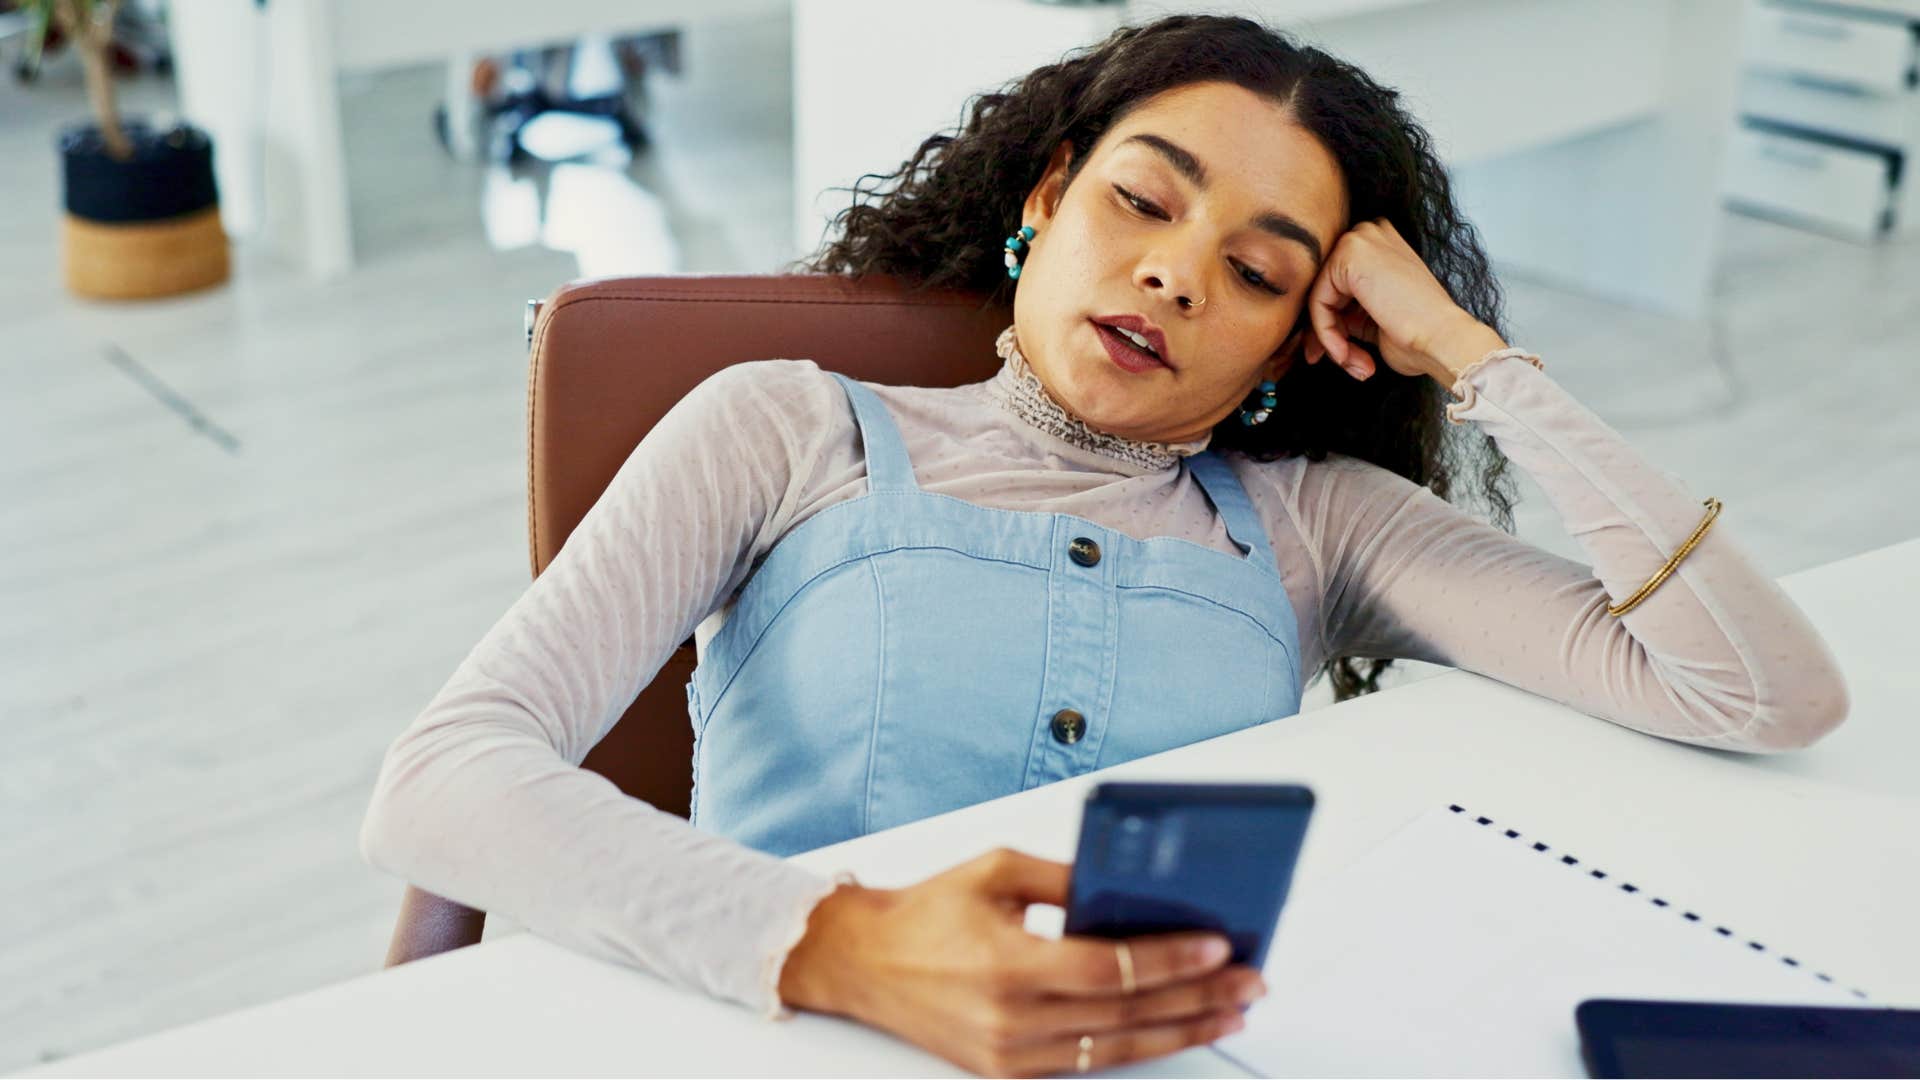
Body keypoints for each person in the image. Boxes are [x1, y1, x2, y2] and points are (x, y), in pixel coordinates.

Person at [358, 14, 1849, 1077]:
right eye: (1142, 201)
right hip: (782, 1037)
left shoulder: (1318, 523)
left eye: (1256, 272)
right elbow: (445, 776)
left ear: (1293, 342)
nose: (1175, 275)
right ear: (1048, 196)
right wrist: (841, 943)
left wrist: (1467, 351)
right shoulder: (789, 427)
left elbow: (1755, 692)